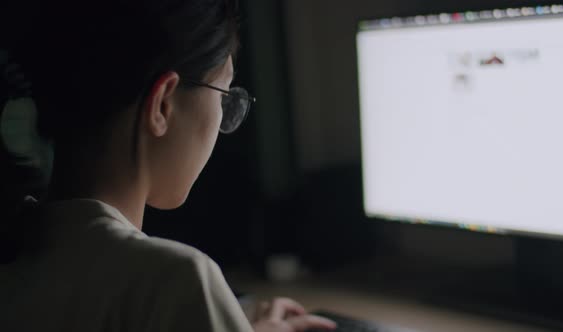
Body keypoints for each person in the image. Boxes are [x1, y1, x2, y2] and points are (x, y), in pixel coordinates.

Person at [0, 0, 337, 331]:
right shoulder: (176, 283)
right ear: (162, 104)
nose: (223, 119)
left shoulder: (17, 251)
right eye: (223, 95)